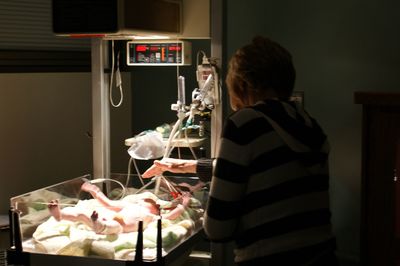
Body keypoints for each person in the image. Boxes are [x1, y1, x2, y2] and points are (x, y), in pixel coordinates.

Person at [142, 36, 337, 265]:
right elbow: (269, 169)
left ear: (242, 84)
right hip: (320, 256)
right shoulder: (306, 123)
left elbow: (217, 229)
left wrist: (188, 210)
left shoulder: (245, 123)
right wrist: (193, 166)